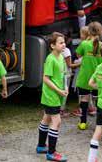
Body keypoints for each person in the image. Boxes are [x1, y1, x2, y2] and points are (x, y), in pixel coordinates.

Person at [36, 32, 69, 162]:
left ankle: (40, 146)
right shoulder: (50, 59)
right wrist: (58, 91)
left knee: (46, 118)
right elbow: (45, 78)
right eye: (61, 43)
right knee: (57, 121)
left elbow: (64, 74)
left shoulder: (61, 57)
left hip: (56, 94)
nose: (64, 44)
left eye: (64, 42)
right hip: (51, 96)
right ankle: (51, 152)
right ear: (52, 45)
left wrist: (65, 87)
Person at [76, 22, 102, 130]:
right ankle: (99, 123)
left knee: (84, 98)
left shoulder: (84, 44)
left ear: (89, 32)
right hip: (98, 78)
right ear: (101, 31)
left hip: (85, 77)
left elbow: (78, 55)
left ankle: (83, 122)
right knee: (99, 100)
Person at [71, 26, 90, 117]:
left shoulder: (83, 44)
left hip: (81, 73)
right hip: (89, 73)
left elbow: (79, 55)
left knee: (81, 93)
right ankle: (92, 108)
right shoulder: (92, 44)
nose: (80, 35)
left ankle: (81, 109)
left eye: (81, 33)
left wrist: (74, 64)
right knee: (89, 92)